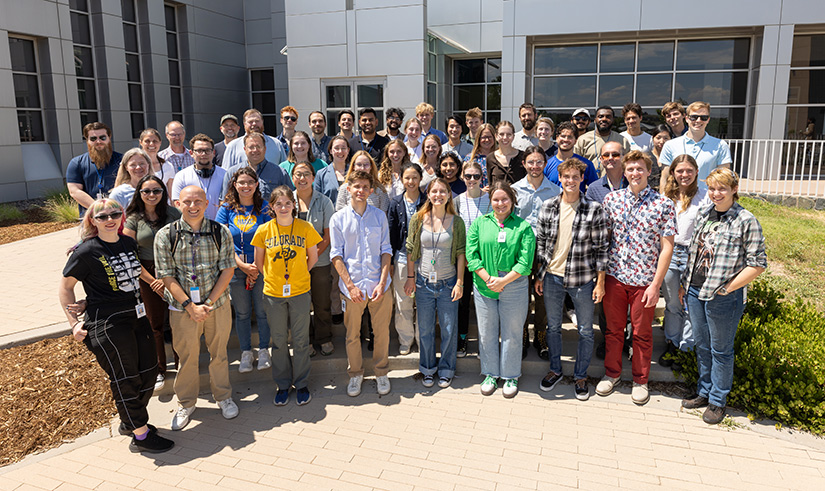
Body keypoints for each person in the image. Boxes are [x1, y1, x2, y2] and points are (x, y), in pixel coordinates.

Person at [60, 199, 174, 453]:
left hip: (136, 315)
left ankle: (130, 422)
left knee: (148, 372)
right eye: (102, 216)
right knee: (126, 378)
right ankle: (141, 435)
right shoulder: (86, 252)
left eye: (115, 213)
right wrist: (73, 324)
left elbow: (133, 268)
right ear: (92, 221)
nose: (109, 219)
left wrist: (152, 280)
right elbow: (66, 288)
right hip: (108, 323)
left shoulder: (127, 242)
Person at [680, 168, 767, 424]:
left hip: (722, 296)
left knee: (721, 350)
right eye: (712, 188)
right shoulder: (704, 214)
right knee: (703, 345)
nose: (716, 193)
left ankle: (718, 401)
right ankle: (704, 392)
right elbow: (695, 252)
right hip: (696, 290)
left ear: (733, 190)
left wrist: (728, 288)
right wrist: (686, 283)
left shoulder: (745, 220)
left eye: (722, 188)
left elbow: (758, 263)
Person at [154, 186, 238, 430]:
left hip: (217, 306)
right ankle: (187, 402)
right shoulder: (166, 235)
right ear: (178, 203)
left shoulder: (219, 232)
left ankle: (223, 396)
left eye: (198, 201)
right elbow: (167, 276)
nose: (193, 206)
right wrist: (190, 306)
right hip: (183, 310)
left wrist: (208, 303)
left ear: (207, 202)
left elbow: (227, 270)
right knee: (187, 358)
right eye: (188, 201)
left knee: (219, 354)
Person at [596, 150, 676, 406]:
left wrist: (656, 286)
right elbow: (603, 240)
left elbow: (667, 248)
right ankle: (612, 374)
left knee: (642, 333)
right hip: (615, 277)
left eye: (639, 169)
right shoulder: (612, 200)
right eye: (630, 169)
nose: (634, 173)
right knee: (613, 331)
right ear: (624, 171)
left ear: (648, 171)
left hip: (644, 282)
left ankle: (641, 380)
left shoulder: (663, 205)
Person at [535, 158, 608, 401]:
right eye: (566, 176)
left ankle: (580, 375)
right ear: (560, 178)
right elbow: (542, 243)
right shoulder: (548, 206)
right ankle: (555, 369)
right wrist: (540, 275)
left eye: (575, 177)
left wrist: (600, 282)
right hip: (552, 277)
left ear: (581, 179)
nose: (570, 181)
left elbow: (601, 249)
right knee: (553, 327)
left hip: (583, 279)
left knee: (586, 330)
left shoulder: (594, 209)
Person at [252, 186, 321, 406]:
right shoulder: (264, 230)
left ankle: (301, 384)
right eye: (278, 204)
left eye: (287, 203)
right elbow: (259, 263)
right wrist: (275, 280)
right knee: (279, 340)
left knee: (301, 340)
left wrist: (298, 276)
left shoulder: (305, 227)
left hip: (300, 291)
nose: (283, 207)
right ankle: (282, 384)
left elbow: (313, 258)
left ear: (294, 205)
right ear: (271, 207)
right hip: (273, 294)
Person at [466, 181, 535, 399]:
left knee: (512, 334)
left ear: (512, 201)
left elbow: (525, 263)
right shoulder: (479, 224)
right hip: (485, 287)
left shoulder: (523, 227)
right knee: (486, 333)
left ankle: (511, 375)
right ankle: (490, 374)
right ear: (490, 201)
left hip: (513, 287)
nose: (500, 203)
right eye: (495, 199)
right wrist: (488, 279)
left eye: (504, 199)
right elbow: (471, 255)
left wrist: (503, 281)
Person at [330, 170, 393, 397]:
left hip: (379, 287)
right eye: (356, 186)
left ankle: (381, 372)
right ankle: (355, 374)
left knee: (381, 332)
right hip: (352, 288)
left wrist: (382, 281)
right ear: (349, 189)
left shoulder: (379, 216)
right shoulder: (338, 219)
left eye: (365, 187)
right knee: (352, 335)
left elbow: (386, 250)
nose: (361, 191)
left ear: (371, 190)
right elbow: (336, 255)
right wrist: (351, 286)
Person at [405, 178, 466, 388]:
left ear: (449, 195)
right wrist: (410, 279)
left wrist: (459, 282)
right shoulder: (418, 219)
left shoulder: (456, 222)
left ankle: (447, 369)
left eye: (442, 191)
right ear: (428, 195)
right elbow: (411, 250)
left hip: (448, 283)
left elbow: (460, 254)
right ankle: (428, 369)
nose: (438, 195)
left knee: (449, 329)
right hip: (423, 284)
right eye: (434, 191)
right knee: (426, 329)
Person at [123, 175, 181, 392]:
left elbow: (182, 241)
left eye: (156, 191)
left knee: (177, 319)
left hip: (174, 272)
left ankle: (181, 362)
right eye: (146, 191)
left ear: (163, 192)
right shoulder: (133, 218)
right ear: (139, 193)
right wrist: (152, 280)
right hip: (147, 274)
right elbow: (130, 254)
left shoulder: (173, 213)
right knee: (154, 324)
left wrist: (169, 276)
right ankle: (159, 369)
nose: (151, 195)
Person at [216, 167, 272, 373]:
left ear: (256, 184)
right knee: (242, 313)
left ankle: (264, 350)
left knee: (263, 311)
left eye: (250, 182)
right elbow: (223, 240)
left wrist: (256, 267)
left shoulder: (264, 208)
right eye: (242, 182)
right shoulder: (226, 208)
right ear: (235, 185)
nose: (246, 186)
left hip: (261, 267)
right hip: (236, 268)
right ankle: (246, 353)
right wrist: (241, 265)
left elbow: (269, 238)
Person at [659, 154, 709, 369]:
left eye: (689, 170)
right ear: (673, 173)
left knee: (690, 304)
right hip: (669, 253)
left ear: (697, 172)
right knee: (672, 303)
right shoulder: (665, 196)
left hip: (694, 254)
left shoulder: (705, 196)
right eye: (680, 171)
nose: (684, 174)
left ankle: (685, 347)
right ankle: (671, 342)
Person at [513, 146, 561, 359]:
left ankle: (541, 335)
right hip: (520, 251)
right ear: (524, 164)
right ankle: (522, 333)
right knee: (521, 295)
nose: (535, 166)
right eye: (530, 162)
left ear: (545, 164)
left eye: (539, 162)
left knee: (542, 296)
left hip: (545, 252)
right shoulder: (513, 190)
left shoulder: (555, 191)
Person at [292, 162, 336, 357]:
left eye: (306, 174)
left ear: (313, 177)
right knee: (300, 305)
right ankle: (305, 340)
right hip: (293, 263)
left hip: (320, 261)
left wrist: (312, 255)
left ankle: (324, 338)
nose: (302, 178)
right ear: (292, 177)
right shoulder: (287, 201)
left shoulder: (324, 201)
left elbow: (328, 235)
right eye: (298, 174)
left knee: (321, 302)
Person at [388, 162, 426, 355]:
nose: (411, 181)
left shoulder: (428, 200)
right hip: (402, 258)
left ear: (420, 179)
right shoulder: (395, 202)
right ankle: (405, 339)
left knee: (423, 302)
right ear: (401, 179)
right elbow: (392, 233)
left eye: (414, 177)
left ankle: (421, 339)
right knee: (403, 301)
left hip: (426, 259)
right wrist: (391, 262)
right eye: (407, 178)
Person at [454, 161, 491, 357]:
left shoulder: (491, 199)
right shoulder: (458, 200)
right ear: (462, 177)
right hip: (464, 260)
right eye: (468, 176)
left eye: (476, 176)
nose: (472, 180)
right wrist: (465, 256)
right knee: (462, 302)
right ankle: (462, 338)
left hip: (485, 260)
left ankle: (485, 342)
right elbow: (456, 231)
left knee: (485, 301)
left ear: (481, 177)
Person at [659, 101, 732, 185]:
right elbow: (665, 178)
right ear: (686, 119)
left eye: (703, 117)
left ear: (708, 120)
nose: (698, 120)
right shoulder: (670, 145)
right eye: (694, 117)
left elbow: (724, 179)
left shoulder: (721, 145)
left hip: (707, 197)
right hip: (677, 196)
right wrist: (663, 198)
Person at [66, 122, 123, 213]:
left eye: (102, 138)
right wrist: (99, 209)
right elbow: (74, 191)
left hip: (119, 215)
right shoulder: (76, 163)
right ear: (87, 140)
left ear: (109, 138)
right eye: (93, 138)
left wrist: (112, 210)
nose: (98, 141)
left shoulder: (123, 161)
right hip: (90, 217)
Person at [222, 131, 294, 201]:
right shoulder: (232, 173)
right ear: (245, 149)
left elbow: (290, 199)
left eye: (258, 146)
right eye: (251, 147)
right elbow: (225, 202)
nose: (255, 150)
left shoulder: (280, 173)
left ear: (265, 149)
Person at [171, 133, 227, 220]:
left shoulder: (225, 175)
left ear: (213, 152)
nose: (203, 154)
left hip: (219, 226)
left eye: (207, 150)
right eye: (199, 151)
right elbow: (177, 204)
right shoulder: (181, 176)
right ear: (191, 153)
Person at [221, 109, 287, 168]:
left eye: (257, 121)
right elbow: (226, 173)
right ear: (244, 124)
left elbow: (285, 170)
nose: (254, 124)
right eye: (250, 121)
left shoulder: (276, 144)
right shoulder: (233, 146)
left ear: (262, 122)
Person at [544, 122, 599, 191]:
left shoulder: (586, 164)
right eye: (563, 136)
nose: (566, 140)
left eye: (570, 137)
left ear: (575, 141)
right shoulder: (546, 165)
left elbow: (596, 189)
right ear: (557, 138)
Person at [488, 121, 526, 187]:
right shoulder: (490, 158)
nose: (505, 137)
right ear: (496, 136)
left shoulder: (523, 156)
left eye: (509, 134)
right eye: (501, 134)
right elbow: (490, 184)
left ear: (513, 136)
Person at [315, 135, 350, 204]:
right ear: (330, 151)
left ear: (348, 150)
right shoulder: (321, 174)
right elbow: (317, 201)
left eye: (343, 148)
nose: (340, 151)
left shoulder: (354, 172)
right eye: (336, 148)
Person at [464, 123, 496, 188]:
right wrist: (481, 191)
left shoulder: (500, 157)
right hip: (476, 195)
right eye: (484, 137)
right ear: (478, 139)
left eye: (489, 137)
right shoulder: (470, 158)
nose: (487, 140)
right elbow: (465, 180)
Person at [650, 124, 672, 191]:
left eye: (666, 138)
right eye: (658, 138)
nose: (662, 141)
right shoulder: (646, 157)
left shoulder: (673, 158)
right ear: (652, 138)